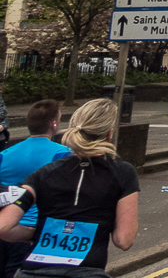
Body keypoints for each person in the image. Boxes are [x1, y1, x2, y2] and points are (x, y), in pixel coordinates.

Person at [0, 99, 139, 277]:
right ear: (109, 133)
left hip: (34, 271)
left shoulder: (46, 172)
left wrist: (40, 233)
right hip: (86, 271)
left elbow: (3, 227)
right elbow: (124, 240)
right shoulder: (123, 173)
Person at [0, 100, 71, 278]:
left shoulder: (5, 154)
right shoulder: (63, 154)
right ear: (53, 124)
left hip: (4, 228)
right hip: (32, 233)